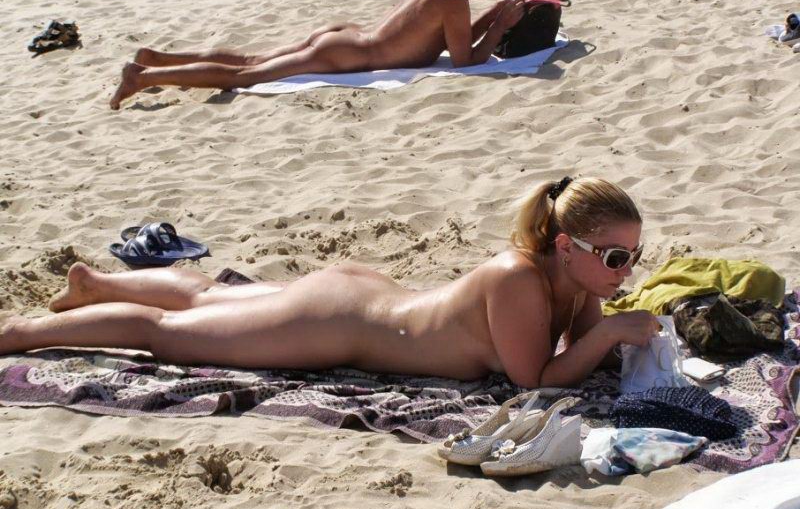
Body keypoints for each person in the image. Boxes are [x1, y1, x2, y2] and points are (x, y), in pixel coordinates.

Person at [1, 177, 660, 389]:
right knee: (168, 335)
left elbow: (582, 348)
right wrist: (609, 337)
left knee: (208, 299)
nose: (625, 269)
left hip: (359, 298)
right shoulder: (517, 279)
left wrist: (612, 328)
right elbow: (536, 380)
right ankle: (21, 333)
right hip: (338, 321)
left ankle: (95, 286)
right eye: (614, 257)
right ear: (567, 246)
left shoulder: (578, 282)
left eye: (631, 256)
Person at [110, 0, 530, 109]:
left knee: (250, 60)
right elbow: (465, 61)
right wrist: (499, 28)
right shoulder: (455, 0)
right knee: (245, 76)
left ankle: (157, 59)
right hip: (348, 54)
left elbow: (450, 38)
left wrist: (493, 15)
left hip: (346, 37)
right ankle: (144, 78)